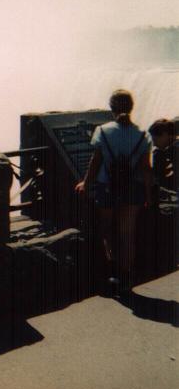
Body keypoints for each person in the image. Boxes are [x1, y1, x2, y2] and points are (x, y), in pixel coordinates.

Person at [75, 89, 152, 294]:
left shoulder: (103, 131)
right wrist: (148, 195)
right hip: (133, 189)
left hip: (107, 187)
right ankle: (126, 277)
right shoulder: (143, 134)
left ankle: (112, 271)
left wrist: (86, 184)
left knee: (107, 230)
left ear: (111, 108)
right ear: (132, 107)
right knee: (127, 235)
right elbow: (146, 169)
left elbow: (96, 162)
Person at [148, 118, 176, 192]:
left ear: (164, 135)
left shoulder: (169, 152)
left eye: (155, 140)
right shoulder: (166, 152)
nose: (154, 144)